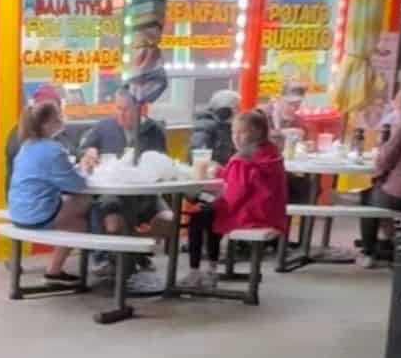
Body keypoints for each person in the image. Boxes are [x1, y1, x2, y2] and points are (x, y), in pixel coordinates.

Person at [183, 110, 287, 289]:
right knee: (209, 212)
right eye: (233, 132)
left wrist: (213, 200)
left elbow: (234, 196)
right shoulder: (270, 153)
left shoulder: (241, 159)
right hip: (270, 213)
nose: (236, 137)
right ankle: (211, 269)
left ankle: (198, 272)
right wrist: (222, 171)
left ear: (257, 133)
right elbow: (245, 179)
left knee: (200, 215)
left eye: (242, 132)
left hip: (250, 214)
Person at [7, 101, 96, 282]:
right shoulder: (53, 150)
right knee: (82, 208)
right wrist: (85, 167)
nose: (62, 120)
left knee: (75, 216)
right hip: (36, 216)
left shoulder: (27, 146)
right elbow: (77, 185)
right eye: (58, 118)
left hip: (17, 212)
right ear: (46, 125)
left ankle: (54, 271)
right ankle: (54, 271)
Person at [80, 87, 173, 250]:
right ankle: (128, 254)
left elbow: (164, 164)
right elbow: (81, 149)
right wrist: (89, 151)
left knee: (169, 220)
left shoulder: (154, 130)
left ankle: (133, 249)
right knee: (114, 224)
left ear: (139, 110)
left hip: (146, 196)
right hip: (113, 195)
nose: (121, 114)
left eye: (126, 110)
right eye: (118, 108)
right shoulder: (104, 127)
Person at [357, 86, 401, 267]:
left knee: (367, 196)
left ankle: (368, 252)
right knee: (381, 194)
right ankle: (396, 242)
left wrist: (378, 176)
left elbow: (384, 160)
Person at [4, 84, 67, 196]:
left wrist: (85, 154)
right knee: (81, 201)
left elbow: (70, 149)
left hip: (45, 191)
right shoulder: (19, 135)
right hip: (26, 197)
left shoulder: (52, 131)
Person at [188, 89, 240, 167]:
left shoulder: (227, 126)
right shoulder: (204, 126)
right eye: (236, 108)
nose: (239, 111)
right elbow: (196, 154)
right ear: (225, 111)